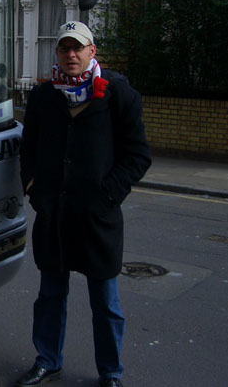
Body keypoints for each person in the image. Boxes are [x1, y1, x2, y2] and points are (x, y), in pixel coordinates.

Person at [17, 21, 151, 387]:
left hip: (97, 218)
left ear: (93, 52)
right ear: (57, 53)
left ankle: (110, 372)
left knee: (105, 303)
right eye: (65, 48)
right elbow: (27, 149)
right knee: (49, 297)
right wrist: (34, 189)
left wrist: (107, 196)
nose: (71, 54)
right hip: (55, 215)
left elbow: (138, 156)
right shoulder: (44, 97)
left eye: (79, 48)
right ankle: (47, 360)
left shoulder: (118, 94)